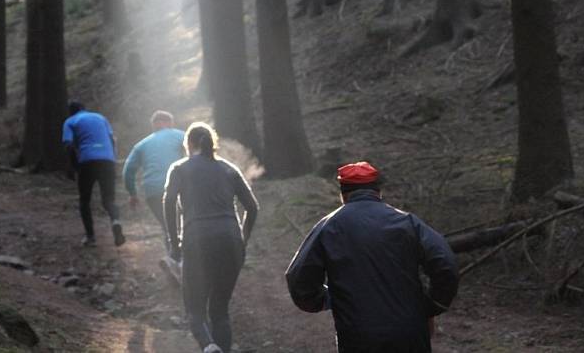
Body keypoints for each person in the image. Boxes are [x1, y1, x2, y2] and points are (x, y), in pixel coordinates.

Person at [285, 161, 459, 353]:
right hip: (409, 332)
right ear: (378, 192)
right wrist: (433, 305)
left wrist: (324, 299)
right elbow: (445, 264)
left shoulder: (328, 227)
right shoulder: (407, 222)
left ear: (343, 195)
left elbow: (298, 277)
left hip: (358, 334)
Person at [164, 122, 258, 353]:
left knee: (195, 309)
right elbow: (252, 208)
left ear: (189, 144)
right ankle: (220, 349)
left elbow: (167, 202)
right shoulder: (229, 169)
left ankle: (208, 346)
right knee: (220, 309)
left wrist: (174, 242)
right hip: (230, 240)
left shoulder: (179, 168)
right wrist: (242, 240)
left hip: (197, 240)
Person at [62, 101, 125, 247]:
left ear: (70, 112)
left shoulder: (70, 121)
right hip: (107, 160)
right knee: (109, 199)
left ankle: (90, 237)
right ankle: (116, 222)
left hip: (87, 161)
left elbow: (68, 145)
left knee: (85, 201)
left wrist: (73, 167)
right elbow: (112, 139)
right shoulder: (100, 118)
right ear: (84, 108)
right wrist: (112, 159)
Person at [122, 111, 185, 255]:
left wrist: (133, 194)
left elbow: (127, 171)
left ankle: (174, 260)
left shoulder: (141, 144)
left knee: (168, 226)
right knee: (186, 223)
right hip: (180, 188)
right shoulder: (181, 136)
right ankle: (186, 262)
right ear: (169, 122)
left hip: (153, 191)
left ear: (154, 125)